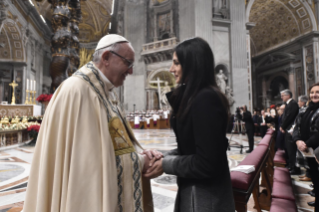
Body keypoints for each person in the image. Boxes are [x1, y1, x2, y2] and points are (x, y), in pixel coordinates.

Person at [23, 34, 163, 212]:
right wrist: (141, 162)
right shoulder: (77, 90)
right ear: (106, 58)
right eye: (128, 63)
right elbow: (85, 167)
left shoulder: (108, 93)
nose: (131, 71)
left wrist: (141, 153)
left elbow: (114, 145)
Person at [143, 37, 235, 212]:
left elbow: (207, 162)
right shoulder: (196, 98)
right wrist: (162, 156)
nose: (171, 69)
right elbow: (192, 147)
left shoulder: (206, 99)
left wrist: (165, 165)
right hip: (194, 190)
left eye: (176, 63)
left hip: (205, 198)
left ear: (192, 64)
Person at [293, 82, 319, 210]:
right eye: (312, 92)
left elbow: (318, 132)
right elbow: (296, 127)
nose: (314, 95)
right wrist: (298, 140)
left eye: (317, 92)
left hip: (316, 151)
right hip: (307, 151)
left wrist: (306, 143)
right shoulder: (306, 109)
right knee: (314, 177)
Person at [280, 89, 300, 174]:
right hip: (288, 129)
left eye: (283, 95)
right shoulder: (289, 104)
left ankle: (294, 168)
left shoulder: (293, 104)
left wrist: (283, 126)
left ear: (288, 95)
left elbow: (289, 117)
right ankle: (291, 166)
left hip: (291, 130)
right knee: (289, 149)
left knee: (292, 150)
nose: (281, 97)